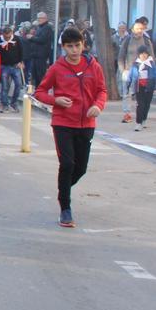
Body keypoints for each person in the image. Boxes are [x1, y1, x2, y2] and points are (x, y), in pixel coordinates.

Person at [34, 27, 106, 228]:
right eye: (69, 46)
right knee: (67, 164)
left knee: (80, 168)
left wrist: (97, 106)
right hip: (63, 123)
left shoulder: (94, 66)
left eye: (77, 45)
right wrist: (55, 100)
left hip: (87, 123)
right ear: (63, 47)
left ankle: (62, 189)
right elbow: (39, 92)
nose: (74, 50)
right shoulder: (57, 68)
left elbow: (102, 90)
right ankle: (65, 208)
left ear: (83, 45)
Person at [118, 19, 154, 124]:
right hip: (128, 70)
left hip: (143, 72)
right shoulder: (127, 40)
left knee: (141, 95)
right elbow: (121, 56)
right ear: (133, 30)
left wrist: (151, 73)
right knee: (127, 93)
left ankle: (141, 115)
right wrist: (122, 70)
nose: (139, 31)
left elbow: (151, 57)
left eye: (141, 29)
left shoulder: (147, 41)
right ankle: (127, 113)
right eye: (137, 29)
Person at [126, 46, 156, 132]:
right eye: (142, 53)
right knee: (140, 105)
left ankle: (144, 119)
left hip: (149, 87)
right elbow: (130, 76)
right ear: (139, 54)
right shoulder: (135, 64)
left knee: (146, 105)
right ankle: (138, 123)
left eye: (145, 53)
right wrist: (128, 86)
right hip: (139, 87)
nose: (143, 55)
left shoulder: (152, 64)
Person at [0, 26, 25, 113]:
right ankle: (4, 103)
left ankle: (14, 102)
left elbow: (22, 51)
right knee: (5, 86)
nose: (7, 38)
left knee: (18, 84)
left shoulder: (17, 39)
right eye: (6, 37)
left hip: (15, 65)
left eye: (9, 36)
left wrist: (21, 62)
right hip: (4, 66)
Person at [26, 12, 55, 88]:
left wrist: (32, 37)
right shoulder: (40, 27)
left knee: (40, 75)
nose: (39, 20)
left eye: (40, 18)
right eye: (38, 18)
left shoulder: (47, 27)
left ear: (45, 18)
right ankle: (36, 90)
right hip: (35, 55)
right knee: (34, 75)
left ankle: (41, 90)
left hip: (41, 55)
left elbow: (43, 39)